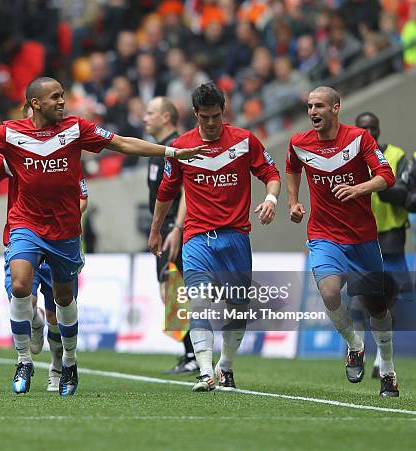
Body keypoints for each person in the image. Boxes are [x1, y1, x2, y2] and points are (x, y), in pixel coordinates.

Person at [0, 76, 205, 396]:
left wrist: (170, 153)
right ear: (35, 103)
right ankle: (23, 360)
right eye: (56, 97)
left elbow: (121, 143)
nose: (62, 102)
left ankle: (70, 362)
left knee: (63, 300)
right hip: (25, 225)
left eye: (63, 96)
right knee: (20, 286)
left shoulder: (77, 128)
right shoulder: (9, 133)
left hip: (64, 230)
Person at [149, 82, 281, 392]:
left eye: (216, 116)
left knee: (237, 308)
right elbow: (166, 193)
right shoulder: (182, 148)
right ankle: (206, 372)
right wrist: (156, 230)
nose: (211, 123)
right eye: (205, 117)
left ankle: (226, 365)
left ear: (224, 112)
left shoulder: (244, 142)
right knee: (199, 302)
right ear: (195, 113)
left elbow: (271, 175)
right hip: (197, 238)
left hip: (235, 237)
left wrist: (271, 199)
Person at [286, 87, 399, 397]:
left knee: (377, 307)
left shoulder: (359, 138)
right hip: (324, 234)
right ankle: (355, 345)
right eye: (309, 106)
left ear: (336, 108)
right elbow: (292, 168)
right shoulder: (299, 142)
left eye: (319, 106)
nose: (312, 112)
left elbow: (386, 175)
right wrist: (293, 202)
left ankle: (387, 369)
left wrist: (359, 189)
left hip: (362, 237)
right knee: (329, 291)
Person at [0, 153, 88, 392]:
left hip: (59, 238)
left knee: (56, 314)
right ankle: (29, 339)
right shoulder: (14, 151)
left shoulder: (66, 154)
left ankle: (58, 367)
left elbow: (83, 198)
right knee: (21, 296)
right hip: (25, 237)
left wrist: (60, 214)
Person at [354, 112, 412, 378]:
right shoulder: (349, 157)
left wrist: (376, 183)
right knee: (358, 299)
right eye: (363, 128)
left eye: (373, 128)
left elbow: (403, 193)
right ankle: (357, 350)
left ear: (379, 129)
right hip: (359, 238)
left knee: (391, 298)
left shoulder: (398, 155)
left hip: (390, 237)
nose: (369, 132)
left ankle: (381, 357)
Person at [143, 96, 198, 375]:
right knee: (171, 292)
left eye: (150, 113)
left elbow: (187, 189)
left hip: (178, 229)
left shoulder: (178, 146)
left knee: (178, 291)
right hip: (165, 230)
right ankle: (191, 352)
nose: (144, 118)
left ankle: (194, 354)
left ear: (166, 117)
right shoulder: (159, 150)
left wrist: (177, 227)